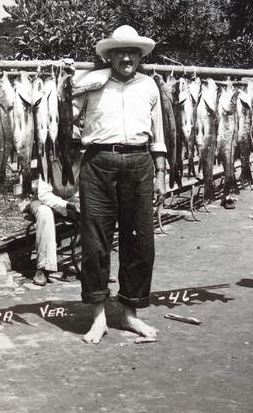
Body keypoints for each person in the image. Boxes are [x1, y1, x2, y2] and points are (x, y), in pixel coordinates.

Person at [72, 25, 166, 344]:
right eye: (119, 52)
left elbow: (160, 133)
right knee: (95, 241)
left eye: (132, 52)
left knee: (139, 241)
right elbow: (63, 113)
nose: (126, 57)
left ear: (140, 57)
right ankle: (98, 316)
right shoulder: (93, 83)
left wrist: (162, 172)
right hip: (98, 163)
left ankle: (129, 313)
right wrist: (70, 80)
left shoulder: (150, 85)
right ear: (109, 56)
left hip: (140, 164)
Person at [27, 142, 83, 286]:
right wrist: (68, 205)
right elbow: (44, 194)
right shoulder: (48, 161)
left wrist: (79, 203)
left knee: (93, 210)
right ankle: (43, 268)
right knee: (45, 213)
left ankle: (94, 267)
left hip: (69, 199)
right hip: (43, 200)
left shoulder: (82, 160)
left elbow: (83, 188)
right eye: (69, 145)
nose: (72, 149)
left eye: (75, 145)